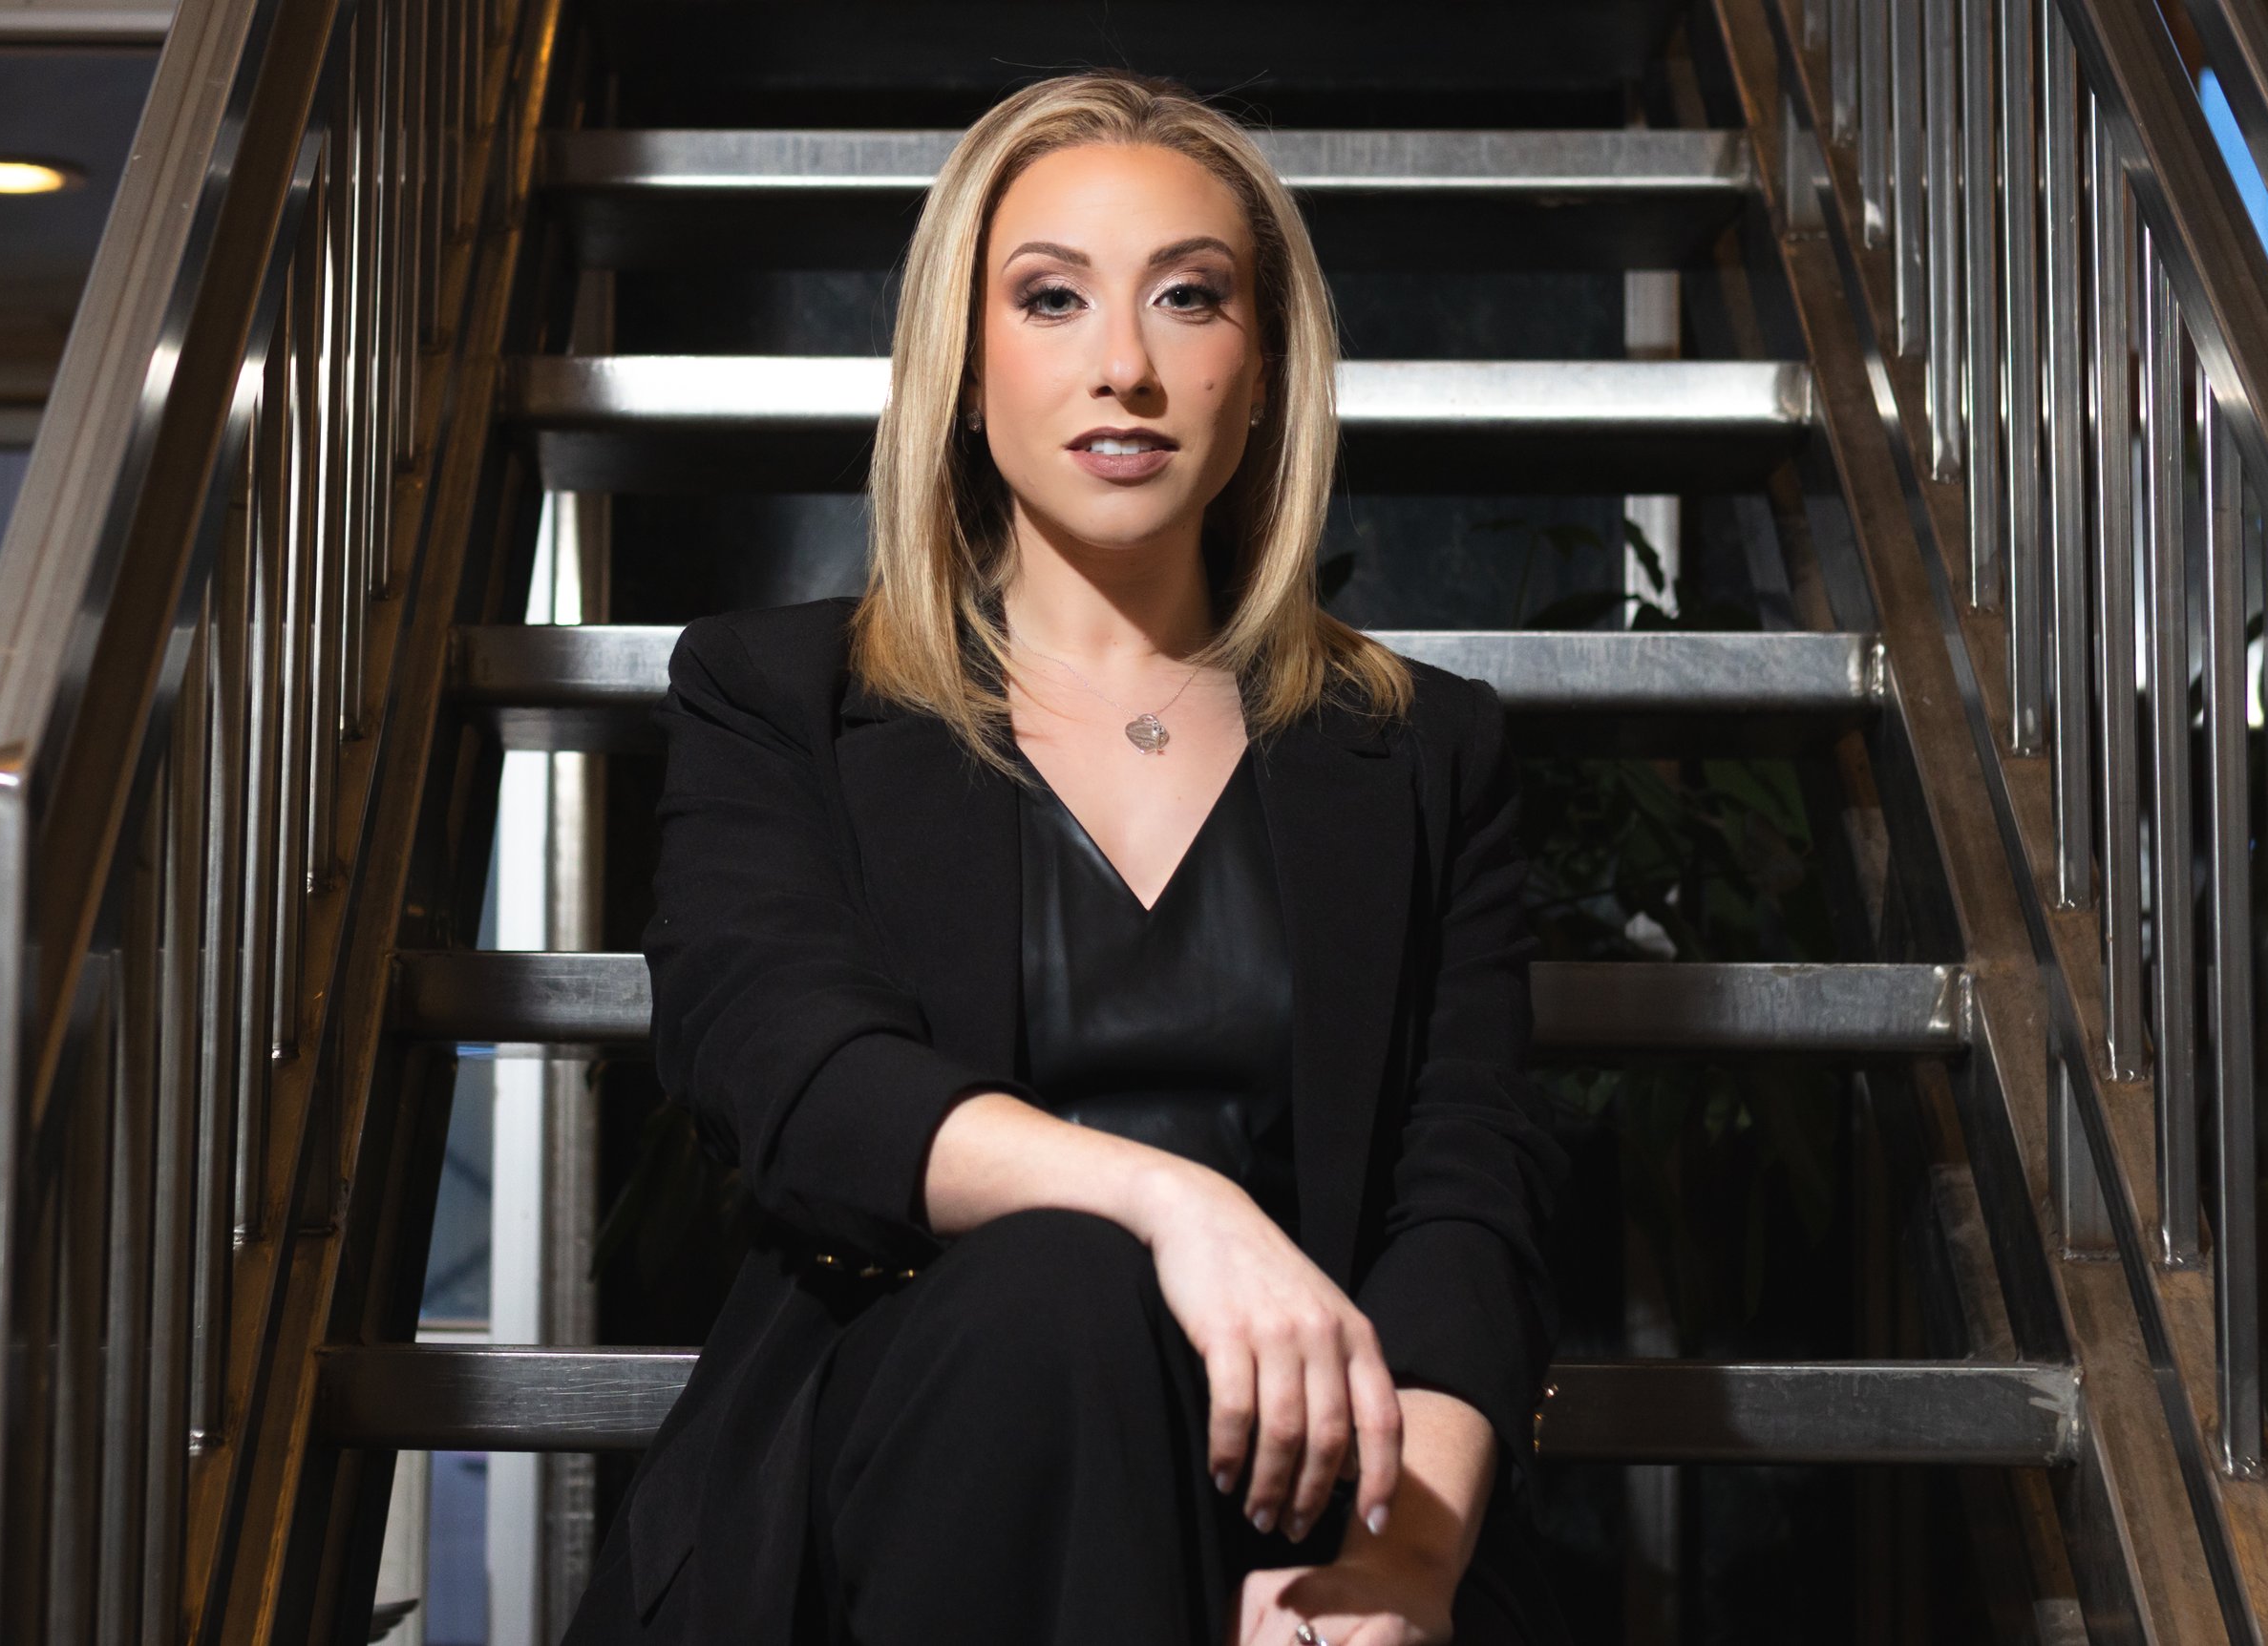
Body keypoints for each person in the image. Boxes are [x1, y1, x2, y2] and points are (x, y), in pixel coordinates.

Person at [562, 70, 1570, 1646]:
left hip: (1299, 1492)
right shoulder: (782, 700)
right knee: (1059, 1297)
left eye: (1189, 298)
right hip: (903, 1471)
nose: (1124, 368)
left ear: (1263, 373)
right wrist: (1175, 1207)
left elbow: (1467, 1191)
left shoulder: (1423, 750)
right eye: (1050, 300)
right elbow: (794, 1076)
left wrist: (1403, 1563)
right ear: (963, 370)